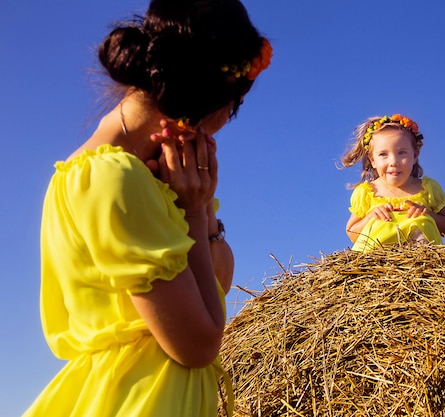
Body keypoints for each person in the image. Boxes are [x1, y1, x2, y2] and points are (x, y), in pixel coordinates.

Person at [22, 1, 272, 416]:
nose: (227, 119)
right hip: (144, 399)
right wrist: (192, 213)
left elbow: (218, 283)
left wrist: (202, 207)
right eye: (233, 105)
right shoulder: (113, 179)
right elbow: (199, 343)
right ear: (208, 98)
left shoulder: (142, 179)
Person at [340, 114, 445, 252]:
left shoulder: (428, 189)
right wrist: (371, 216)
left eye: (402, 153)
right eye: (383, 154)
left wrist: (428, 214)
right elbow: (352, 233)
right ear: (372, 160)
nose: (393, 162)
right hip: (376, 264)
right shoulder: (367, 192)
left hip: (422, 262)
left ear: (415, 155)